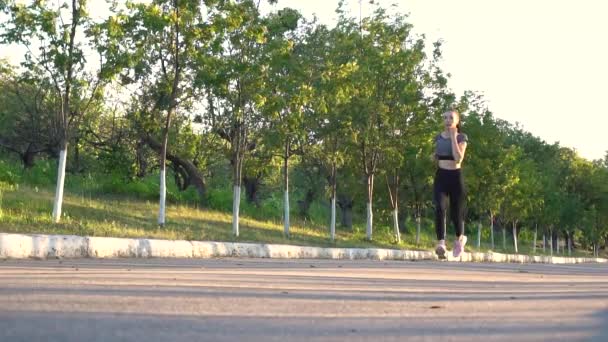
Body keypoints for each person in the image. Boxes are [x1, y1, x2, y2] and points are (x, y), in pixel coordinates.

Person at [433, 110, 468, 259]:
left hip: (455, 177)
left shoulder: (461, 137)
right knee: (440, 207)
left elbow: (458, 158)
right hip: (441, 175)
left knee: (455, 213)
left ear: (457, 121)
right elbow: (437, 156)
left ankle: (460, 238)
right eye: (445, 118)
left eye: (451, 118)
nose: (447, 120)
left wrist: (453, 137)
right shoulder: (438, 137)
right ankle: (441, 243)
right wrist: (434, 156)